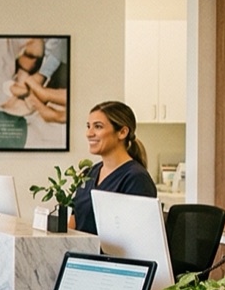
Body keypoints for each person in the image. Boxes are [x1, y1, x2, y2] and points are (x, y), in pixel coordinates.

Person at [68, 100, 159, 235]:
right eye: (88, 126)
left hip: (110, 256)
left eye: (98, 127)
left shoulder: (136, 179)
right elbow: (74, 223)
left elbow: (138, 237)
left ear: (122, 132)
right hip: (82, 252)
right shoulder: (89, 173)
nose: (89, 133)